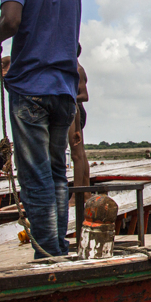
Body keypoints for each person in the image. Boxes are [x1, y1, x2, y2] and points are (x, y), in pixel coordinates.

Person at [0, 0, 82, 259]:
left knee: (35, 176)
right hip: (64, 91)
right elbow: (69, 42)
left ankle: (47, 253)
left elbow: (12, 19)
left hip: (31, 89)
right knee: (57, 171)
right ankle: (57, 245)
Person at [68, 44, 91, 206]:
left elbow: (84, 95)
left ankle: (77, 195)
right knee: (81, 153)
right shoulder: (70, 67)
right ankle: (86, 191)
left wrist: (65, 97)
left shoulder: (77, 69)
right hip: (74, 109)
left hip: (75, 110)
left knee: (77, 154)